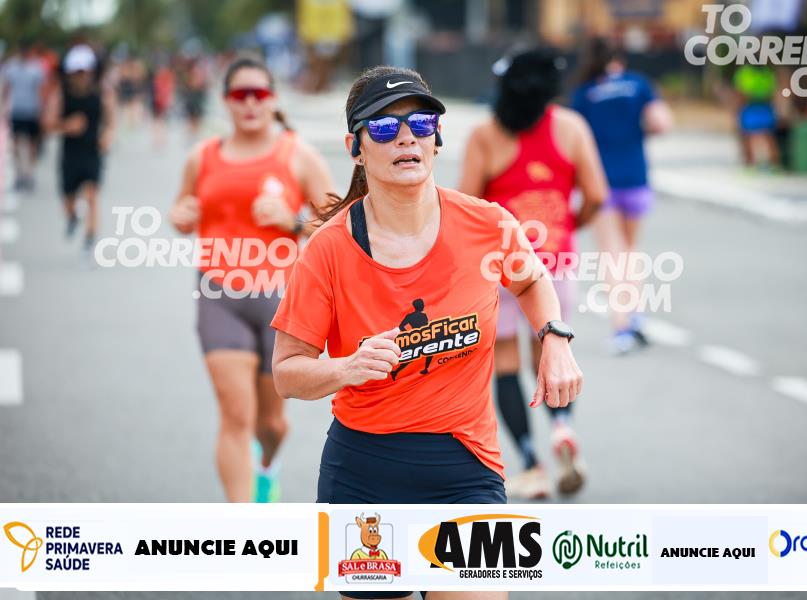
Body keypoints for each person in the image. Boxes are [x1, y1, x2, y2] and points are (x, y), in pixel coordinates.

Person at [271, 65, 582, 574]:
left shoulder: (488, 225)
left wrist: (553, 337)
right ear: (355, 148)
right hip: (363, 474)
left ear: (436, 139)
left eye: (420, 123)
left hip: (468, 470)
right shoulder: (327, 250)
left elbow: (530, 281)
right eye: (383, 127)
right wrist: (346, 367)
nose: (405, 138)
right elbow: (287, 373)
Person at [170, 56, 336, 503]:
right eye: (239, 94)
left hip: (281, 301)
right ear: (226, 100)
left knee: (271, 424)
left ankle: (267, 466)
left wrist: (292, 220)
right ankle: (242, 525)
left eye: (258, 94)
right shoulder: (202, 156)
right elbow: (180, 210)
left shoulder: (298, 155)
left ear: (273, 99)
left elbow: (337, 226)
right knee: (235, 416)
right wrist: (181, 216)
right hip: (219, 293)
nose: (249, 103)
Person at [458, 48, 607, 499]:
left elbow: (466, 205)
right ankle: (563, 428)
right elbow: (596, 194)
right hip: (555, 263)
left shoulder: (485, 135)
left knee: (505, 363)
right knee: (553, 351)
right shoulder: (572, 128)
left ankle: (530, 462)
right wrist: (569, 225)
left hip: (501, 267)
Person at [570, 37, 673, 354]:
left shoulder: (584, 93)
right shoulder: (638, 84)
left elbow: (573, 139)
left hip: (601, 182)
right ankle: (637, 314)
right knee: (630, 251)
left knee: (611, 256)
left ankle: (622, 326)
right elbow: (662, 123)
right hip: (636, 177)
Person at [42, 44, 115, 262]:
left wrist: (107, 136)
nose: (81, 76)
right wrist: (67, 125)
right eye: (77, 72)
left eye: (84, 71)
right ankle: (72, 217)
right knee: (68, 197)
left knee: (92, 196)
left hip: (92, 151)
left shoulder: (102, 92)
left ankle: (89, 241)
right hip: (70, 153)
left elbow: (111, 120)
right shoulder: (61, 94)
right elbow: (47, 123)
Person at [0, 40, 46, 192]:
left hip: (32, 110)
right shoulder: (11, 67)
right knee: (16, 143)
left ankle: (29, 173)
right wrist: (3, 107)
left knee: (32, 144)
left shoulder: (36, 68)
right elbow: (6, 88)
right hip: (17, 110)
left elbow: (41, 89)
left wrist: (42, 110)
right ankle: (20, 173)